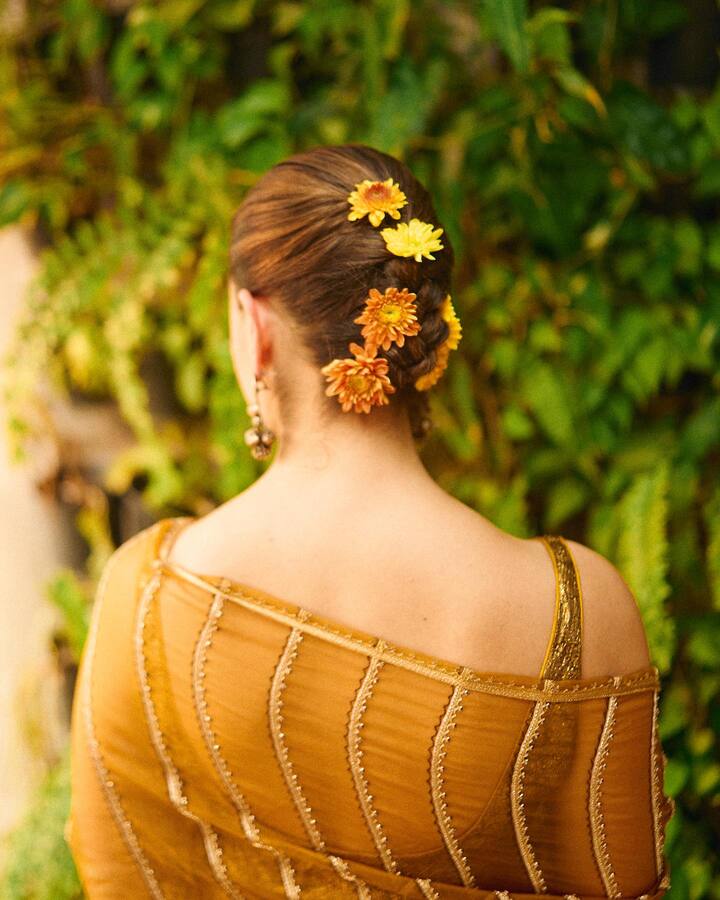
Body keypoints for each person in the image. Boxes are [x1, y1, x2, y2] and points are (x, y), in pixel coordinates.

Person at [67, 144, 674, 898]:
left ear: (252, 328)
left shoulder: (147, 598)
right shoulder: (580, 608)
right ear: (424, 323)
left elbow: (119, 874)